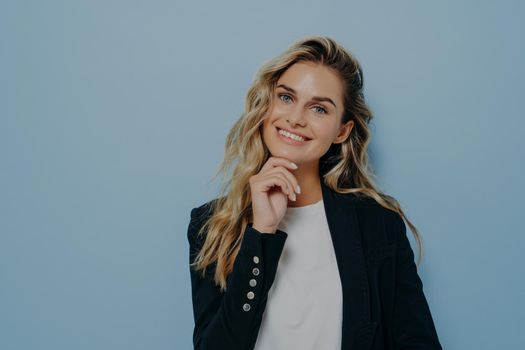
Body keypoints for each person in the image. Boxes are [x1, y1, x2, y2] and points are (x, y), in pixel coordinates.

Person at [187, 35, 442, 350]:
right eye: (286, 97)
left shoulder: (378, 225)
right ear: (267, 105)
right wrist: (261, 233)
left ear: (341, 131)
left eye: (319, 108)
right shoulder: (211, 225)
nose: (295, 118)